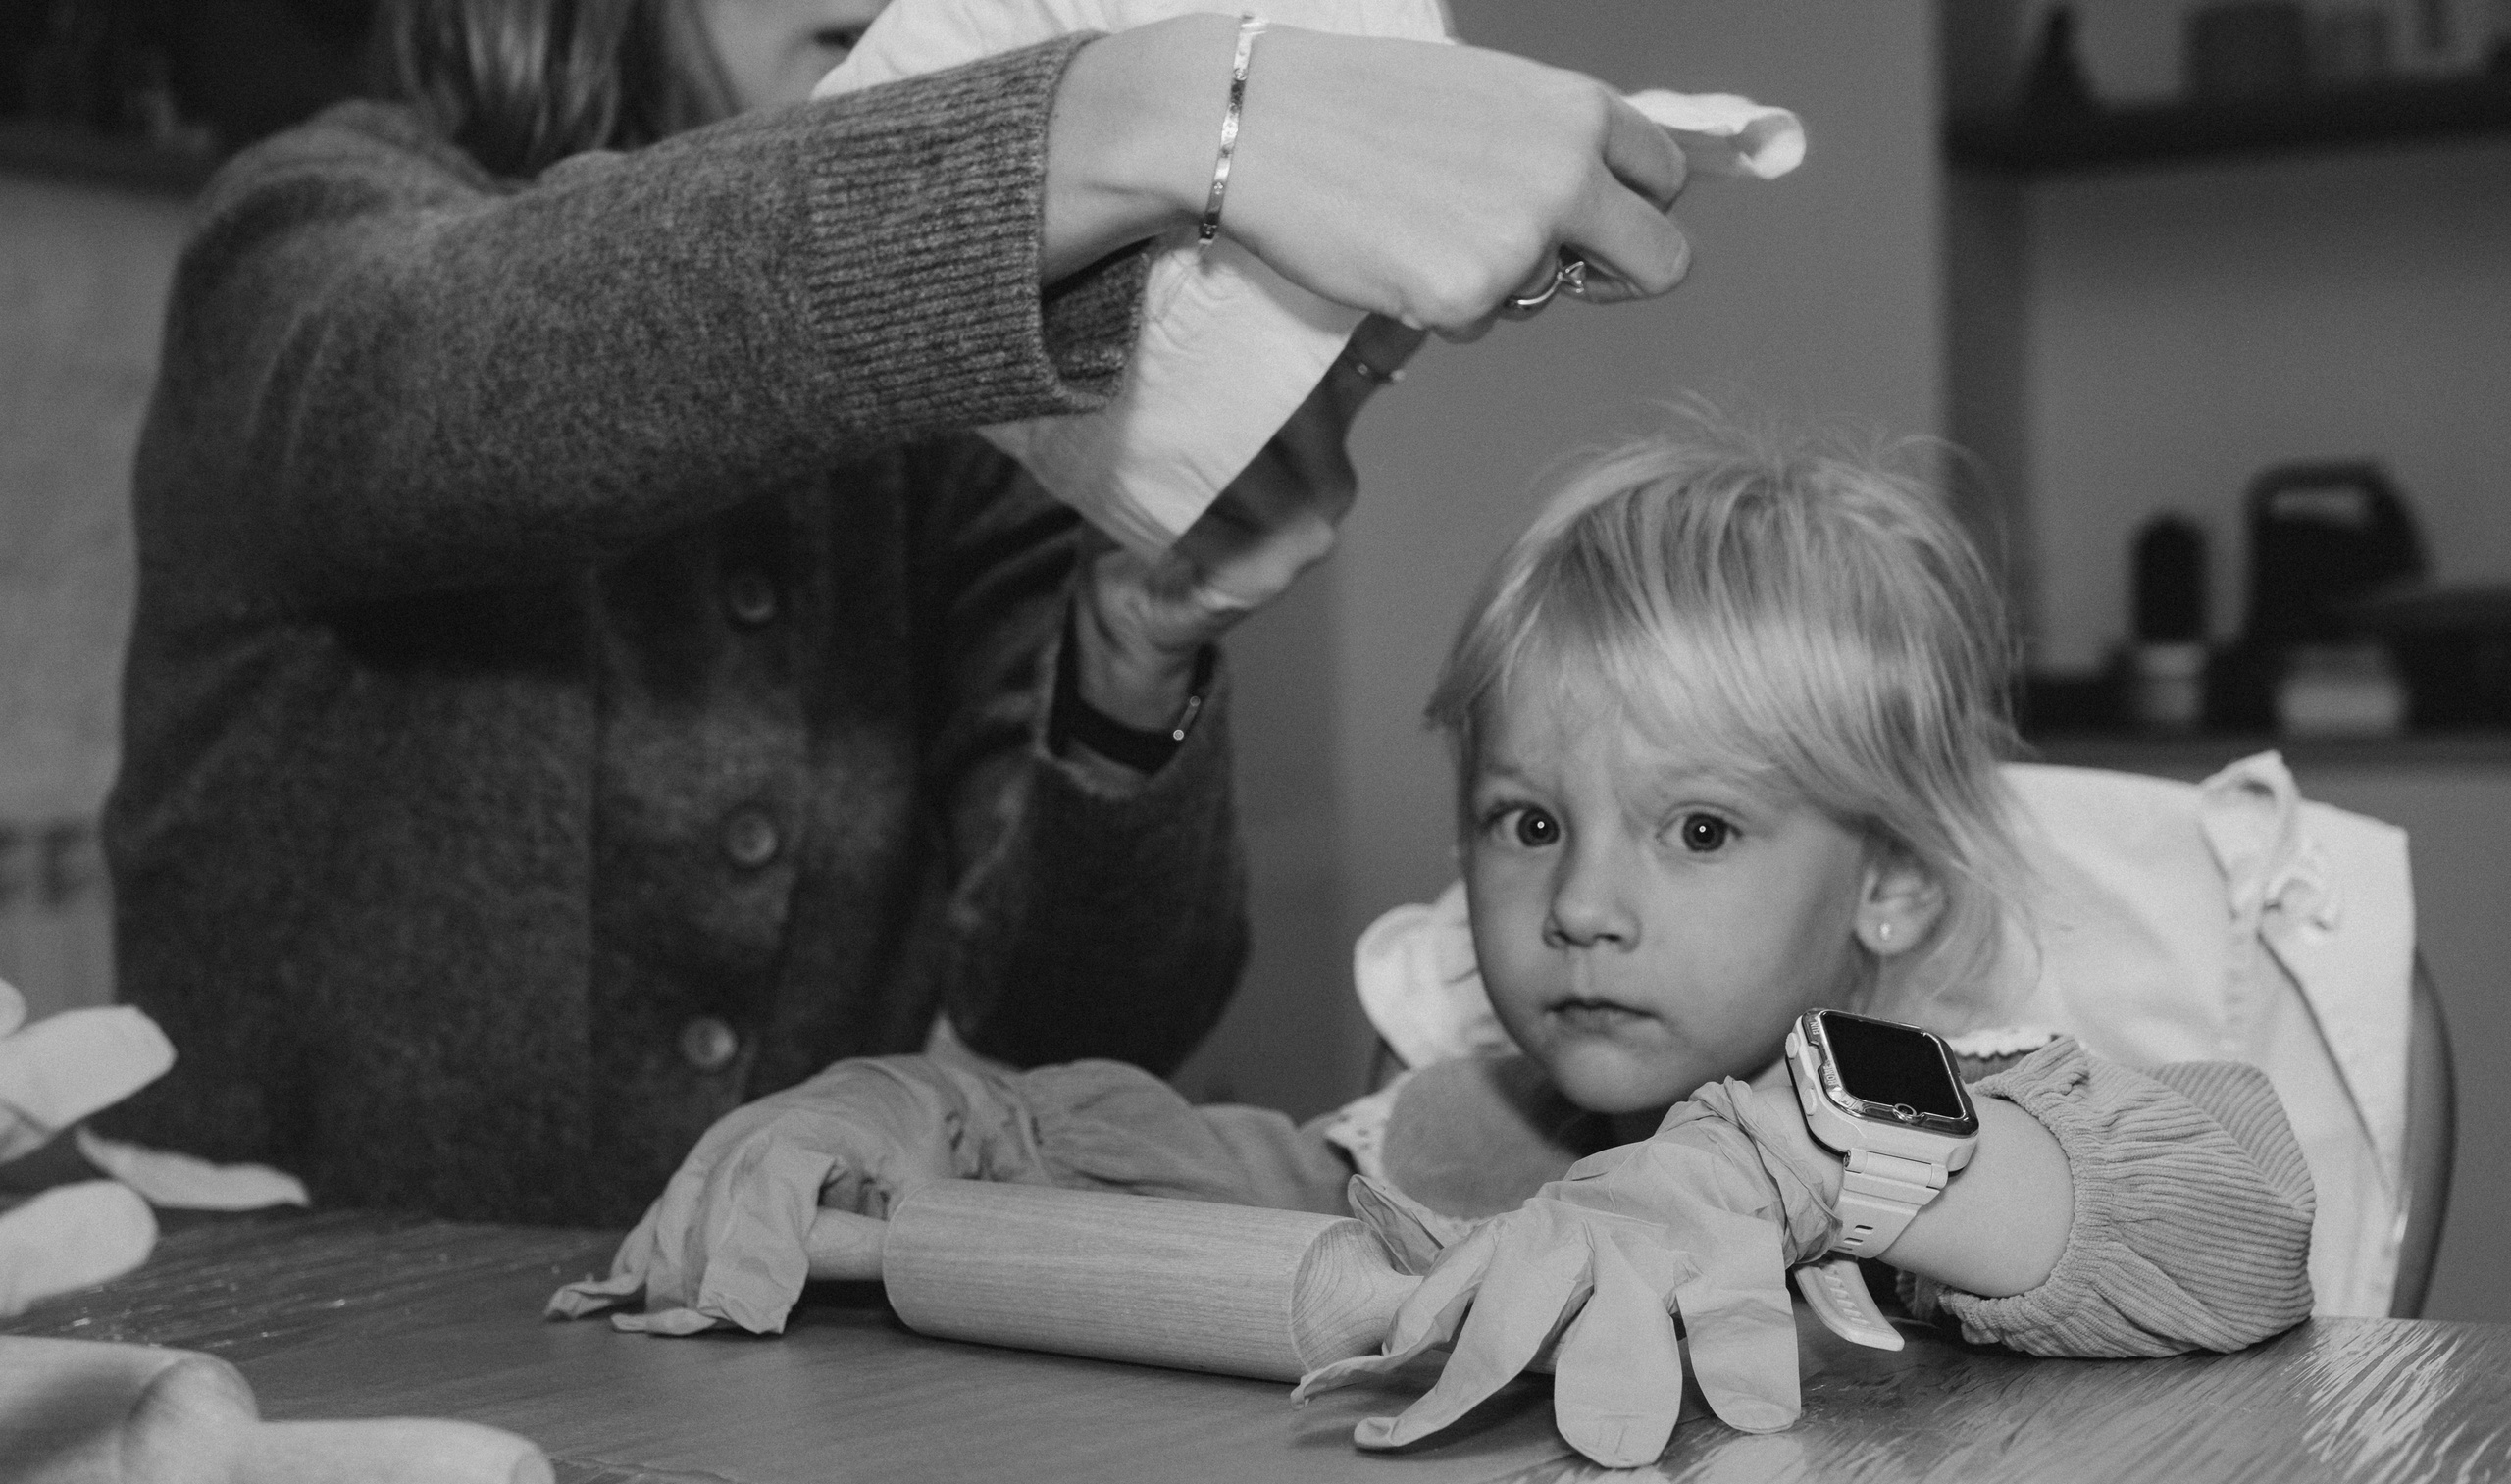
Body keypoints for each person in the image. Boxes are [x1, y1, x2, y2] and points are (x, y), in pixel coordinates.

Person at [84, 0, 1699, 1226]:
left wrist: (1139, 642)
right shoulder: (303, 231)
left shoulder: (978, 408)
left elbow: (1082, 1024)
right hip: (281, 1372)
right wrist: (1139, 116)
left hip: (758, 1405)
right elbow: (489, 370)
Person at [551, 418, 2317, 1366]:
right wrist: (934, 1120)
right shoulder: (1461, 1130)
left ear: (1898, 893)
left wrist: (1821, 1155)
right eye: (1528, 823)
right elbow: (1213, 1172)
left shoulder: (1964, 1100)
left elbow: (2242, 1229)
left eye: (1698, 833)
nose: (1583, 909)